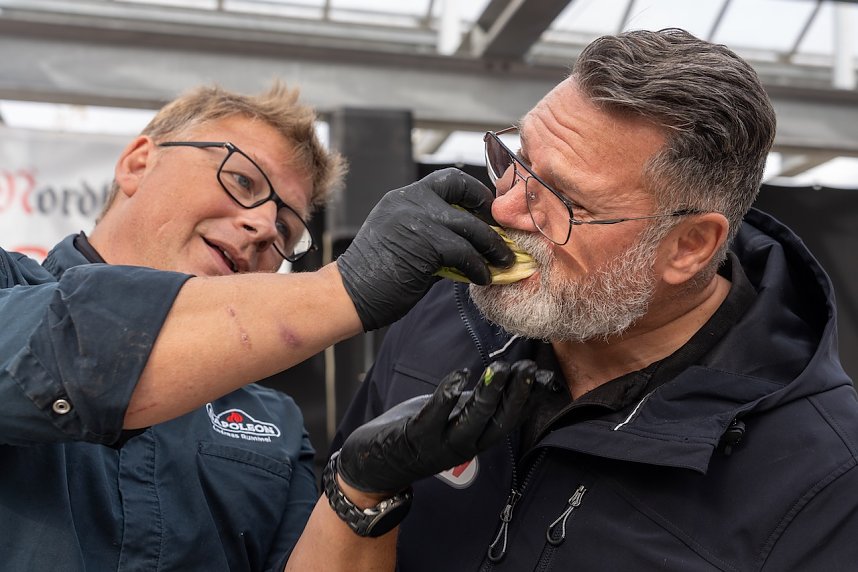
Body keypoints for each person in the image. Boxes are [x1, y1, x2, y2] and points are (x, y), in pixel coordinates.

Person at [304, 28, 858, 571]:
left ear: (689, 246)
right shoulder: (441, 318)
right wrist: (360, 491)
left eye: (565, 201)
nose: (504, 212)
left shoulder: (824, 479)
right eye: (517, 162)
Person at [0, 81, 522, 570]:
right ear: (137, 163)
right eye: (243, 180)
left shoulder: (274, 421)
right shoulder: (9, 283)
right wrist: (344, 288)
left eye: (287, 231)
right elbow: (58, 352)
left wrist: (361, 493)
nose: (263, 226)